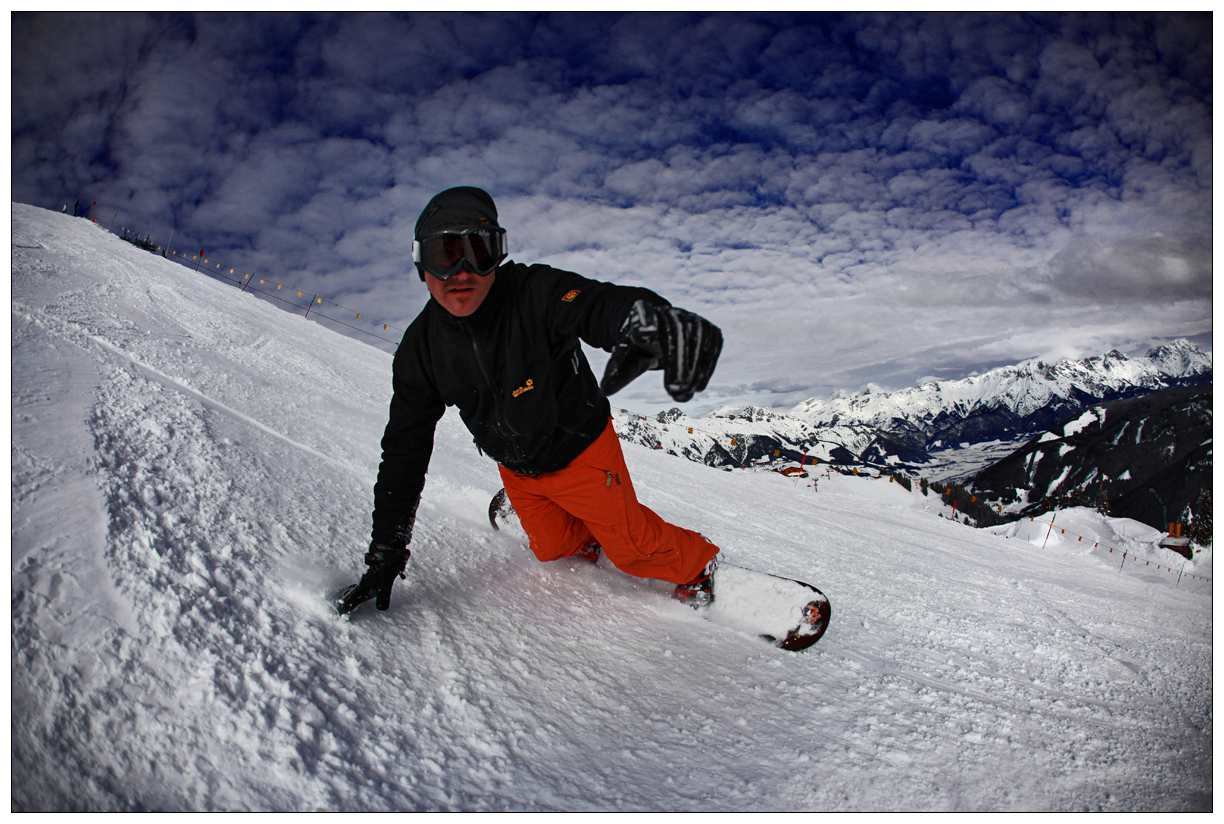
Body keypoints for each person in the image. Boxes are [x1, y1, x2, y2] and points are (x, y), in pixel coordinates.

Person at [335, 186, 723, 616]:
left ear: (498, 256)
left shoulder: (535, 292)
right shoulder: (420, 351)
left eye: (479, 251)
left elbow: (595, 305)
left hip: (581, 453)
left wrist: (648, 322)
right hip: (517, 468)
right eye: (445, 255)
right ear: (420, 264)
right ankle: (578, 525)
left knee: (634, 550)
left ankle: (698, 564)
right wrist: (387, 549)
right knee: (552, 548)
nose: (462, 272)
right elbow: (404, 453)